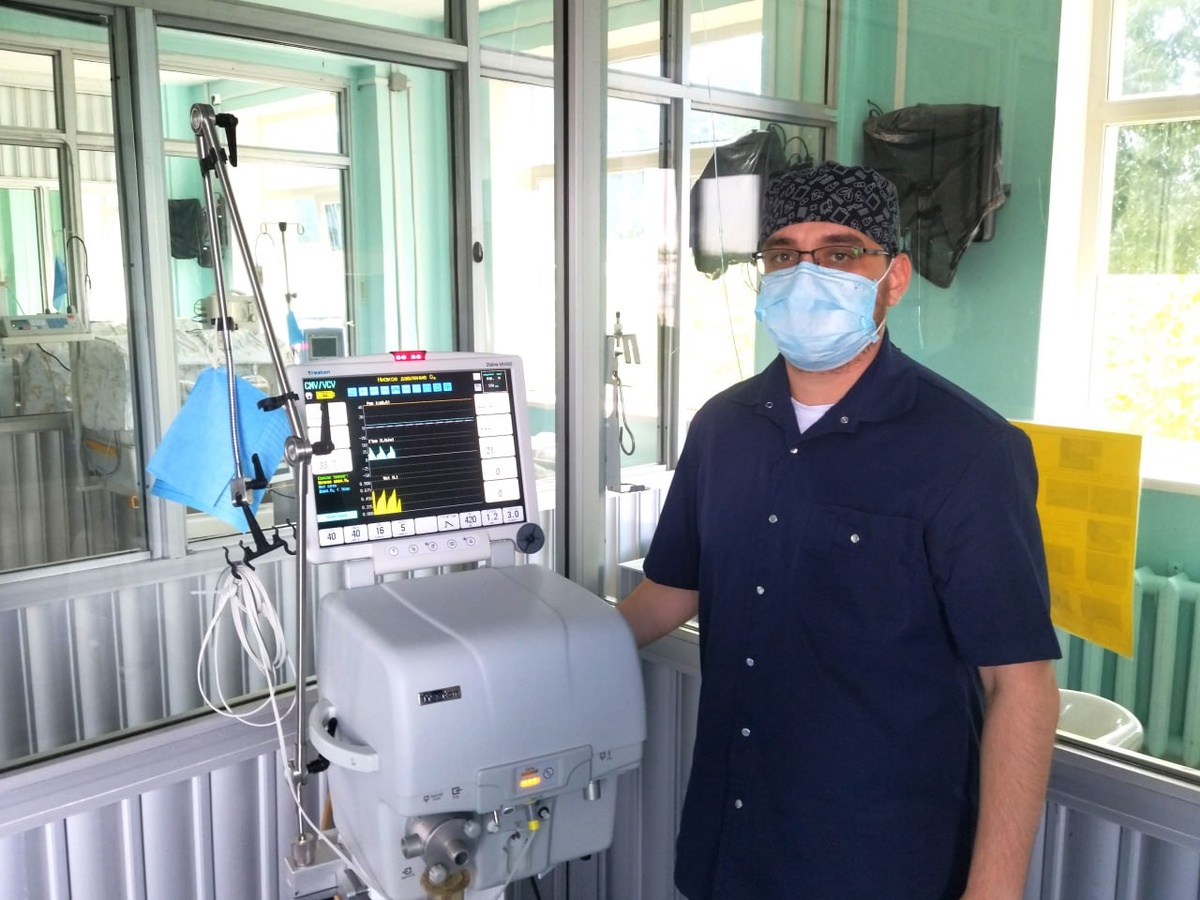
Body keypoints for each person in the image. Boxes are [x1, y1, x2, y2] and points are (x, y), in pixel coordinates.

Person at [617, 162, 1061, 900]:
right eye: (784, 254)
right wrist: (553, 649)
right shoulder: (723, 428)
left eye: (840, 252)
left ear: (894, 278)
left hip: (879, 858)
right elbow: (671, 591)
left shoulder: (970, 451)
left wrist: (994, 889)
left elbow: (1021, 686)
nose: (807, 274)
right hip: (733, 840)